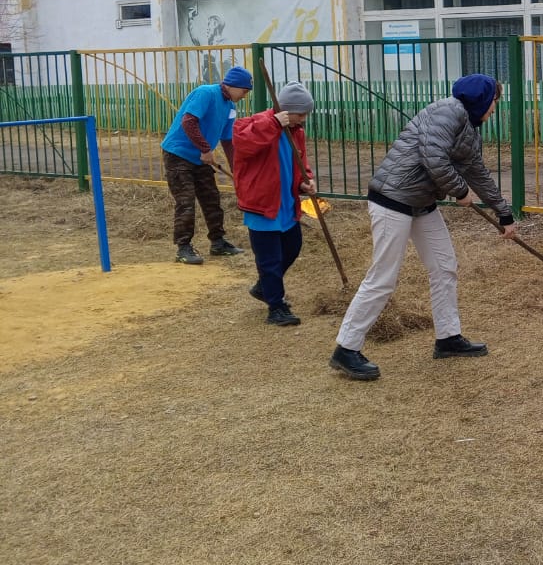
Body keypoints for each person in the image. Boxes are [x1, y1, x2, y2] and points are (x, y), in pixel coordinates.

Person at [329, 74, 518, 381]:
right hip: (393, 199)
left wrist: (504, 214)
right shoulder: (447, 111)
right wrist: (459, 191)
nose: (496, 108)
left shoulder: (469, 128)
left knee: (445, 266)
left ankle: (448, 338)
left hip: (421, 202)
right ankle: (346, 348)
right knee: (383, 278)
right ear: (483, 99)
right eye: (496, 101)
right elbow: (435, 159)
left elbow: (477, 172)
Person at [232, 81, 316, 327]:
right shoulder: (254, 124)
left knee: (292, 247)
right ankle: (276, 307)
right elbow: (243, 143)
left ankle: (264, 287)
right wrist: (274, 123)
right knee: (270, 259)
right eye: (300, 114)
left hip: (286, 204)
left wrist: (305, 182)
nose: (304, 119)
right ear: (286, 110)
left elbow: (301, 162)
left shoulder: (296, 131)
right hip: (261, 205)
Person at [161, 65, 252, 264]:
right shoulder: (205, 93)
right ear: (233, 85)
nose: (245, 95)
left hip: (200, 158)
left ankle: (218, 243)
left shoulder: (230, 108)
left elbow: (228, 141)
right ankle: (183, 248)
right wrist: (205, 148)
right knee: (186, 202)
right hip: (178, 154)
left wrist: (237, 171)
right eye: (245, 91)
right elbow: (188, 122)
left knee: (211, 199)